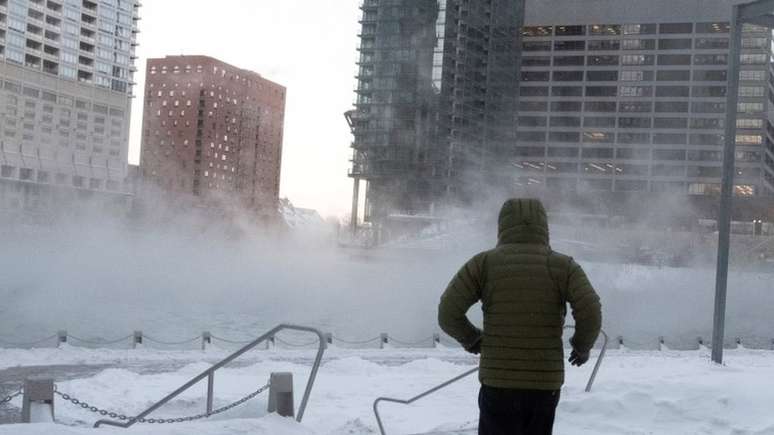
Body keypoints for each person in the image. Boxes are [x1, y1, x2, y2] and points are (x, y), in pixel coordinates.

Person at [438, 198, 602, 435]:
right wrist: (581, 346)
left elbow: (448, 312)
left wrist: (473, 339)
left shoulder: (483, 264)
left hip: (499, 382)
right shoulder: (564, 266)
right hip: (544, 384)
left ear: (502, 226)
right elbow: (591, 310)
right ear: (544, 226)